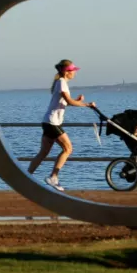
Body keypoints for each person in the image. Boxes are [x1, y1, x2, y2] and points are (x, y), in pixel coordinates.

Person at [26, 59, 96, 191]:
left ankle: (25, 178)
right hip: (52, 122)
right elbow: (68, 101)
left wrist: (77, 101)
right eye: (73, 71)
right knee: (68, 149)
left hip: (48, 122)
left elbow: (66, 102)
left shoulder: (60, 83)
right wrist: (87, 104)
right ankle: (53, 177)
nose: (74, 73)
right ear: (66, 72)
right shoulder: (62, 82)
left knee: (43, 152)